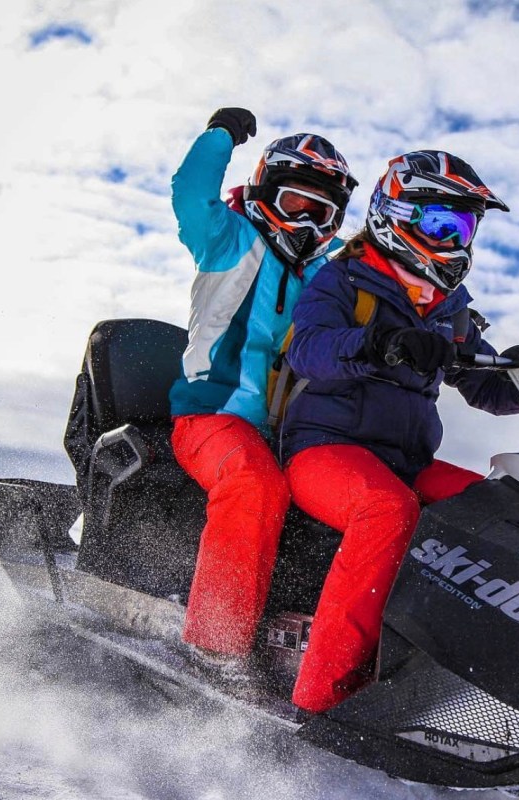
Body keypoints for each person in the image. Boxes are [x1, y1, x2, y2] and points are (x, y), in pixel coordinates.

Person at [279, 150, 519, 713]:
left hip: (408, 459)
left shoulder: (449, 307)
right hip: (326, 449)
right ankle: (322, 697)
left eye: (464, 228)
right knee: (387, 511)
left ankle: (463, 691)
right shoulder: (342, 279)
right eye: (442, 224)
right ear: (396, 215)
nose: (455, 241)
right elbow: (309, 349)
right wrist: (378, 343)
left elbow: (486, 388)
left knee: (504, 511)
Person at [168, 107, 357, 670]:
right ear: (264, 192)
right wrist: (218, 136)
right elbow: (188, 194)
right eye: (294, 203)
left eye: (320, 213)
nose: (304, 223)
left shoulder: (320, 276)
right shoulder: (228, 239)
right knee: (255, 486)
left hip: (278, 434)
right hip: (208, 418)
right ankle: (215, 649)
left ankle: (309, 648)